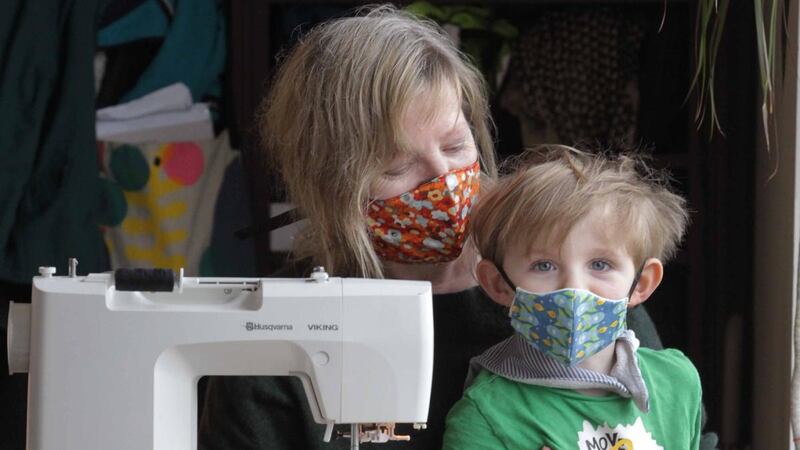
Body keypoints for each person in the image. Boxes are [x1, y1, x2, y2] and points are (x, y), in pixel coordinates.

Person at [198, 6, 674, 450]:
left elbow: (670, 424)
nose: (442, 181)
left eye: (454, 145)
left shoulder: (570, 283)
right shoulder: (277, 333)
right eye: (397, 166)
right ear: (330, 186)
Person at [442, 146, 702, 449]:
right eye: (544, 265)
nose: (574, 288)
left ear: (641, 283)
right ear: (499, 284)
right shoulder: (486, 416)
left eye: (600, 264)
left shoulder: (677, 382)